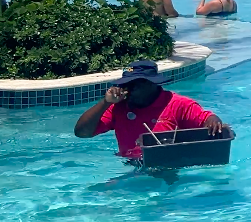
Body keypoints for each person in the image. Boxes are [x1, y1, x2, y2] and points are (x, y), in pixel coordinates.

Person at [73, 59, 226, 162]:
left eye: (133, 85)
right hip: (131, 165)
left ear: (151, 84)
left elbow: (207, 118)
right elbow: (82, 133)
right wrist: (105, 103)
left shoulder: (177, 104)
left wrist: (214, 122)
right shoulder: (118, 107)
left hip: (168, 168)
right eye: (125, 84)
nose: (127, 90)